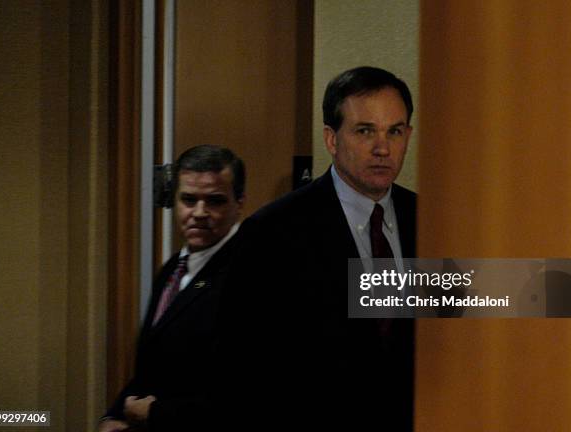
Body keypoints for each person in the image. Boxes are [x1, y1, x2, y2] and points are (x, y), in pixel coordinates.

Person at [220, 66, 416, 428]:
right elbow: (242, 369)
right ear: (331, 139)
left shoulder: (431, 221)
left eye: (395, 131)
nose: (382, 148)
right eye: (364, 131)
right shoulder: (271, 232)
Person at [99, 145, 245, 431]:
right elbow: (153, 366)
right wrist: (113, 415)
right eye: (189, 200)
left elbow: (242, 396)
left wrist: (154, 412)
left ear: (238, 203)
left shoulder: (251, 275)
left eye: (214, 201)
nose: (199, 212)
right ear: (173, 202)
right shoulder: (172, 269)